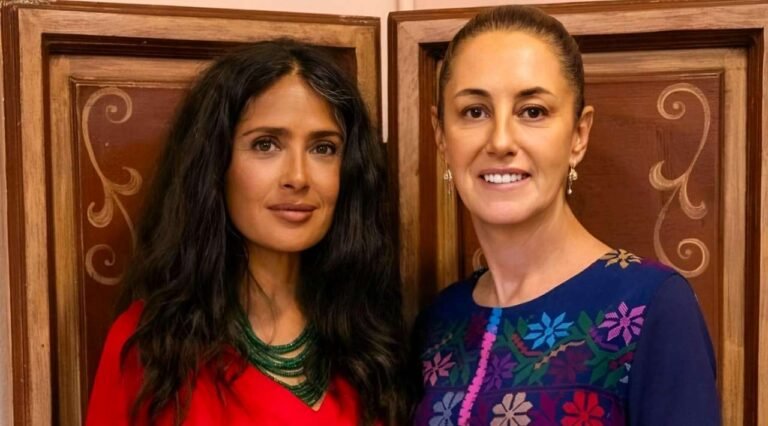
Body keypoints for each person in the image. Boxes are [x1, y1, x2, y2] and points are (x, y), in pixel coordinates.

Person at [411, 6, 720, 425]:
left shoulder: (652, 306)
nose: (500, 141)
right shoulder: (438, 322)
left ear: (578, 134)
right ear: (440, 136)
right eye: (475, 112)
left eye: (532, 111)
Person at [86, 39, 405, 426]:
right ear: (215, 164)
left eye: (323, 148)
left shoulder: (372, 339)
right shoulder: (150, 348)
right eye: (266, 144)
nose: (298, 177)